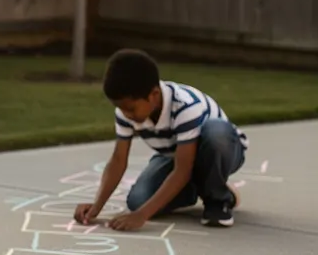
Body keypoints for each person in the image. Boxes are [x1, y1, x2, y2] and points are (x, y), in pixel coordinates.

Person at [74, 49, 248, 231]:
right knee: (138, 200)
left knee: (216, 132)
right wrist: (96, 208)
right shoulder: (126, 113)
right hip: (174, 154)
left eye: (131, 109)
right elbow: (118, 160)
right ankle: (202, 187)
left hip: (222, 151)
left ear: (154, 95)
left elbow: (183, 169)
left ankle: (217, 199)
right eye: (121, 109)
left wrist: (142, 216)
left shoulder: (186, 107)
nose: (127, 115)